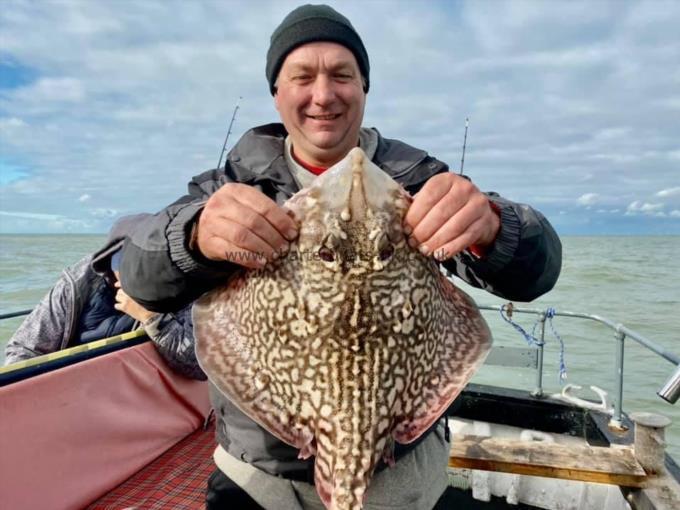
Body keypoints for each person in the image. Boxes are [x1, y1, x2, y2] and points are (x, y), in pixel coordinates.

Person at [119, 4, 562, 509]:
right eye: (302, 76)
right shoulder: (230, 186)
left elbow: (536, 273)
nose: (323, 95)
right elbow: (138, 276)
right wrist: (194, 234)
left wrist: (492, 226)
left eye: (342, 75)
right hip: (258, 482)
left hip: (403, 482)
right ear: (277, 92)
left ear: (364, 87)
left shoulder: (419, 181)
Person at [4, 214, 205, 381]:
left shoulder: (175, 287)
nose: (136, 273)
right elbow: (23, 350)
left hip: (138, 398)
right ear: (109, 258)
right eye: (126, 262)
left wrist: (152, 318)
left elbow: (200, 367)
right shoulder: (77, 283)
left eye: (148, 263)